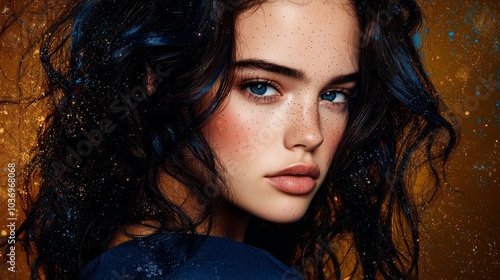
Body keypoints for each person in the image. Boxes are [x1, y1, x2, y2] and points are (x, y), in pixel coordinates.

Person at [4, 0, 458, 279]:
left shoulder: (121, 261)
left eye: (335, 94)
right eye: (261, 87)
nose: (310, 134)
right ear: (158, 81)